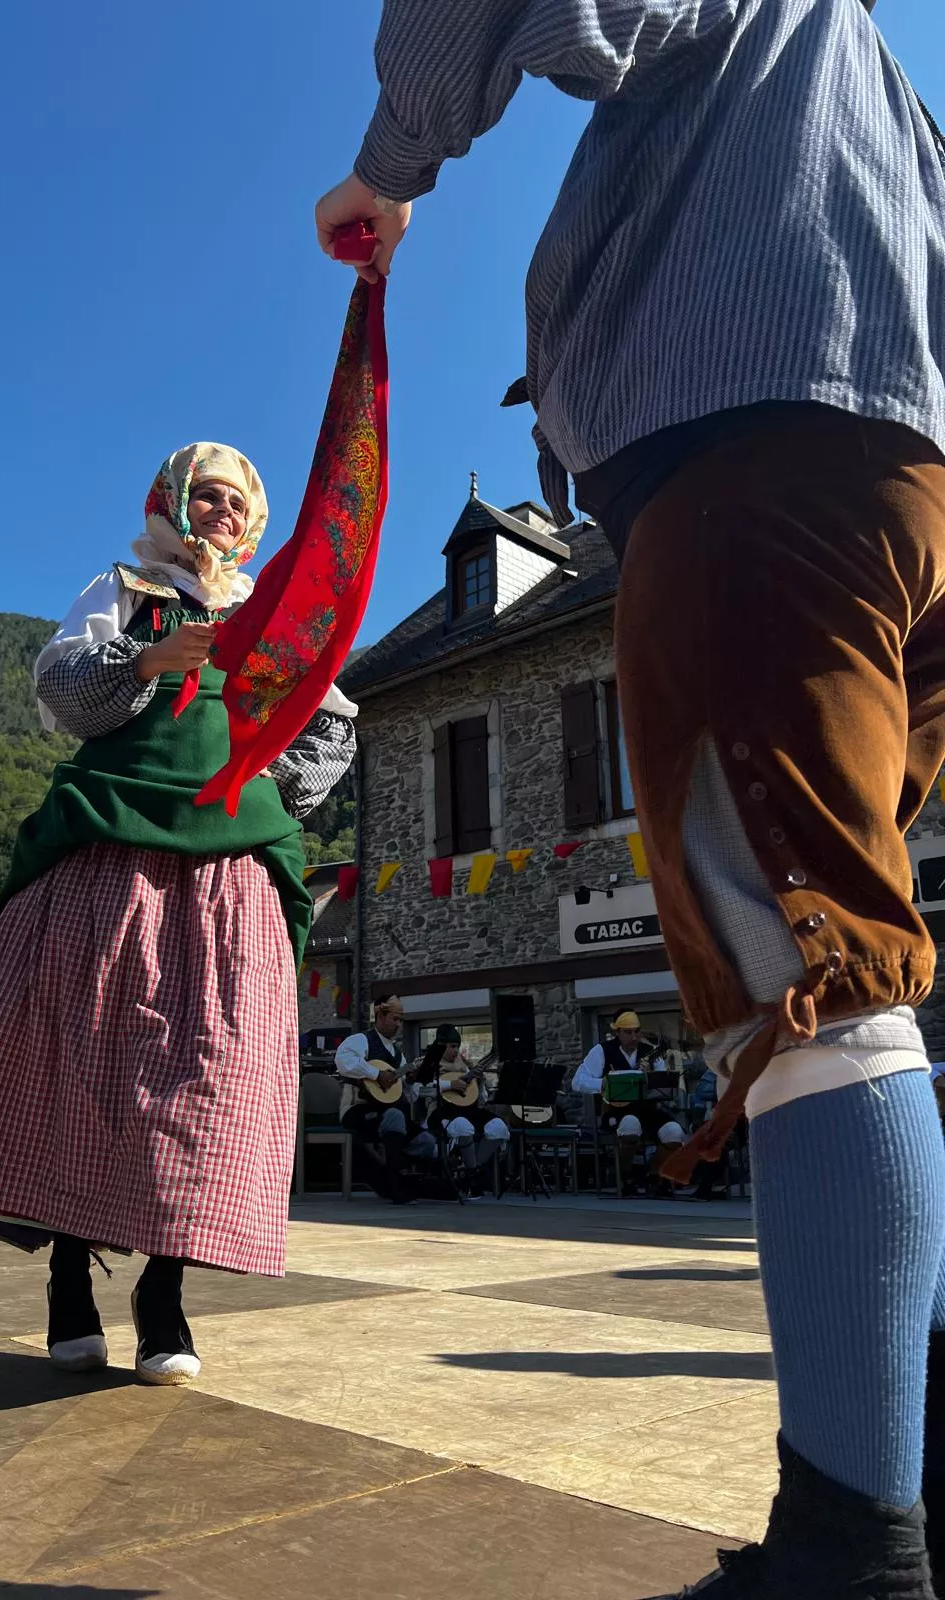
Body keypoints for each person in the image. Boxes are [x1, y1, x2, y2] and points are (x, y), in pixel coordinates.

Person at [317, 1, 945, 1592]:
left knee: (812, 983)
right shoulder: (890, 103)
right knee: (866, 967)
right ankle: (908, 1492)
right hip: (907, 490)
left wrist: (388, 170)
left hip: (755, 452)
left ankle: (852, 1556)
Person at [0, 443, 358, 1386]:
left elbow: (331, 726)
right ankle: (68, 1277)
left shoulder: (273, 615)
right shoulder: (128, 588)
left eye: (237, 502)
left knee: (209, 1075)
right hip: (109, 846)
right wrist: (151, 658)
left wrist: (260, 781)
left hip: (229, 858)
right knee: (87, 1055)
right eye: (206, 496)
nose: (222, 513)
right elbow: (63, 693)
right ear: (172, 501)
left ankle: (163, 1291)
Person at [572, 1012, 687, 1196]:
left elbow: (662, 1082)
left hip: (647, 1110)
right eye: (628, 1032)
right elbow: (577, 1081)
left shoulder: (649, 1052)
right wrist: (603, 1084)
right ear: (617, 1032)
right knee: (630, 1125)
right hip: (616, 1110)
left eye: (636, 1032)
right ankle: (626, 1176)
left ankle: (655, 1175)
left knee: (674, 1131)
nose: (633, 1037)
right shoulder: (602, 1050)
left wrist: (651, 1077)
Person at [336, 996, 436, 1203]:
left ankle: (389, 1174)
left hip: (388, 1113)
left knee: (427, 1142)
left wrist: (411, 1081)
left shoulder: (398, 1056)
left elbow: (410, 1095)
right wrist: (376, 1074)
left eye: (401, 1020)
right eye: (394, 1019)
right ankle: (395, 1185)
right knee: (395, 1116)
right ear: (380, 1016)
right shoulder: (361, 1040)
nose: (398, 1025)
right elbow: (343, 1060)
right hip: (358, 1110)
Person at [414, 1025, 511, 1194]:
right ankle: (472, 1175)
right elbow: (419, 1089)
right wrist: (449, 1084)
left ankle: (471, 1170)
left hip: (469, 1110)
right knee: (463, 1126)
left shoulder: (465, 1064)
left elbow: (481, 1099)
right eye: (452, 1046)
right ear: (441, 1045)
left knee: (499, 1127)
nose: (455, 1050)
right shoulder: (428, 1062)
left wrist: (480, 1082)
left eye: (457, 1046)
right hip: (442, 1110)